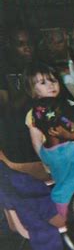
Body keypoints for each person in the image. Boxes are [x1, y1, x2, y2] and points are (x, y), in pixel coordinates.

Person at [32, 97, 74, 217]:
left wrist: (69, 136)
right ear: (58, 129)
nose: (72, 123)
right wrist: (71, 135)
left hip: (63, 201)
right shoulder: (68, 151)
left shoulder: (45, 149)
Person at [0, 27, 39, 162]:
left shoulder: (38, 65)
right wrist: (29, 88)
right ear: (10, 46)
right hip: (19, 132)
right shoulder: (4, 71)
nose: (27, 48)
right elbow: (8, 109)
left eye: (30, 43)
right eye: (20, 45)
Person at [23, 62, 74, 155]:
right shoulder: (34, 114)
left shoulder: (65, 104)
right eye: (43, 83)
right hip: (54, 156)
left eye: (53, 81)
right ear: (32, 89)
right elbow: (37, 142)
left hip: (72, 151)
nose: (51, 85)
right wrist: (47, 163)